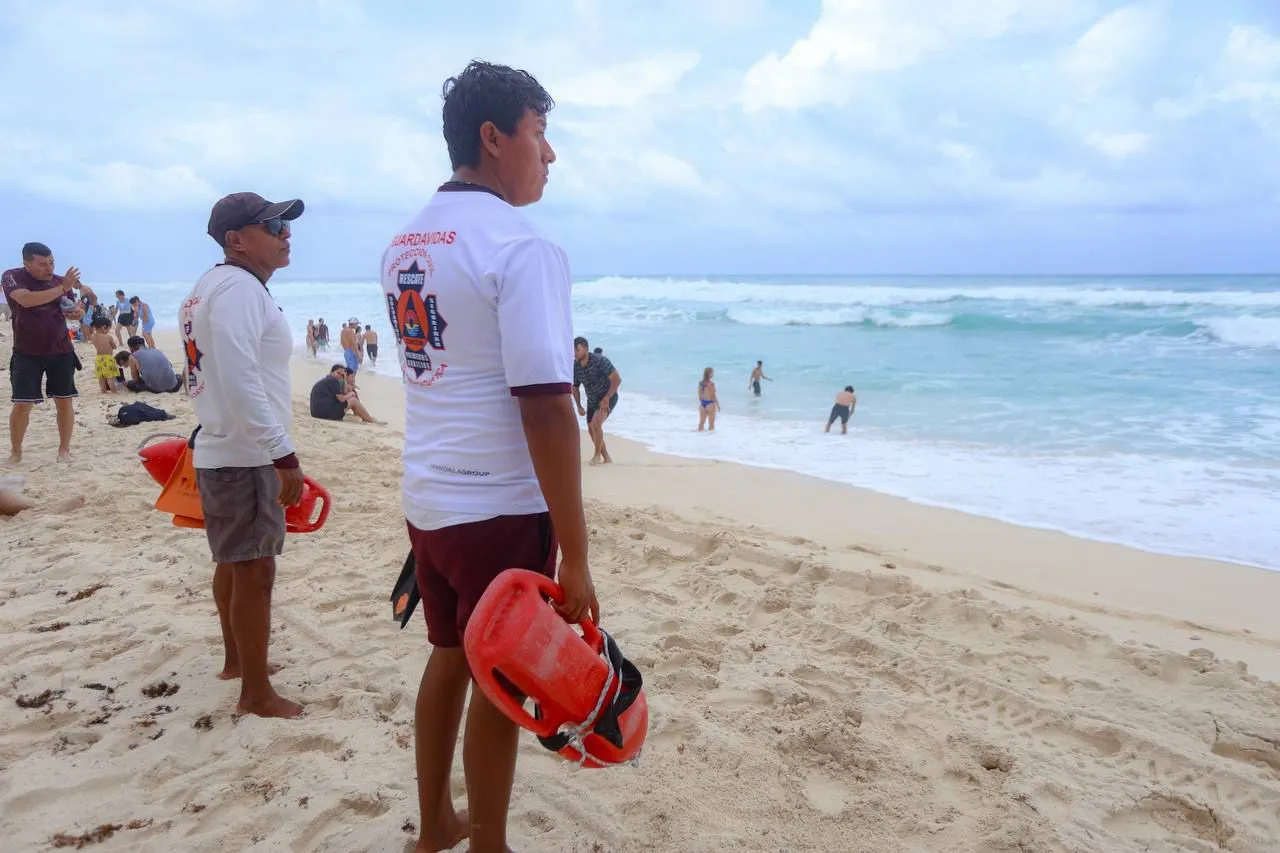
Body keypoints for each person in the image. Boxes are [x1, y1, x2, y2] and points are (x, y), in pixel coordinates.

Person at [381, 60, 599, 853]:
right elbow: (546, 407)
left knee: (449, 656)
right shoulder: (521, 246)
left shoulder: (406, 241)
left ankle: (437, 821)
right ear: (493, 137)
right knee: (500, 680)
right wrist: (577, 552)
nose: (550, 155)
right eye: (539, 134)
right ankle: (489, 843)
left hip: (429, 501)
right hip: (499, 507)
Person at [180, 190, 307, 720]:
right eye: (272, 224)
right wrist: (283, 453)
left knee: (234, 562)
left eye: (283, 223)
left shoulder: (212, 285)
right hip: (245, 451)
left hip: (223, 444)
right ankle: (256, 694)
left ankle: (239, 662)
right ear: (237, 239)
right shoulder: (237, 289)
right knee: (255, 570)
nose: (285, 232)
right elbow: (238, 376)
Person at [2, 242, 84, 464]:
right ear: (27, 264)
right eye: (42, 264)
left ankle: (64, 450)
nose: (49, 268)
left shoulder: (60, 281)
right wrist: (62, 287)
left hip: (61, 348)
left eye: (51, 263)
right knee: (22, 404)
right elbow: (26, 300)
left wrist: (77, 312)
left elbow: (73, 309)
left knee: (65, 401)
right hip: (26, 351)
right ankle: (16, 451)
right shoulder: (12, 276)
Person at [572, 336, 621, 465]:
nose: (574, 353)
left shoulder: (600, 361)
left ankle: (596, 456)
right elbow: (575, 387)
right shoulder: (576, 366)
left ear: (586, 349)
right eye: (573, 350)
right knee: (590, 429)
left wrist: (606, 398)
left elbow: (617, 379)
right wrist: (579, 406)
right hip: (592, 401)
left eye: (577, 350)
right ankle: (607, 458)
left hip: (608, 397)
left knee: (596, 424)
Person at [309, 365, 383, 424]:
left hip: (317, 412)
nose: (340, 375)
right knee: (353, 400)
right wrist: (351, 394)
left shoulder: (329, 380)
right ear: (331, 372)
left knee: (351, 399)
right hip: (324, 413)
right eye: (338, 373)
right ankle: (369, 420)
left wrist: (344, 379)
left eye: (342, 374)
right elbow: (341, 399)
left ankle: (364, 417)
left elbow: (344, 393)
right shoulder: (333, 380)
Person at [88, 316, 119, 394]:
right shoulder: (108, 337)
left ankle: (103, 391)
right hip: (108, 359)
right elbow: (114, 347)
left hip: (99, 359)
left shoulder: (93, 336)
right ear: (104, 327)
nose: (109, 330)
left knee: (101, 377)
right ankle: (114, 391)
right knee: (110, 377)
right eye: (108, 328)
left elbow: (91, 331)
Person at [697, 366, 720, 431]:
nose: (713, 374)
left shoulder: (701, 383)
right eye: (712, 372)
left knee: (701, 423)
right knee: (711, 424)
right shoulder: (711, 384)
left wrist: (703, 402)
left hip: (702, 404)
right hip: (710, 404)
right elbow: (713, 395)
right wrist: (718, 405)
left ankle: (699, 438)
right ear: (709, 374)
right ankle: (711, 439)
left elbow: (699, 396)